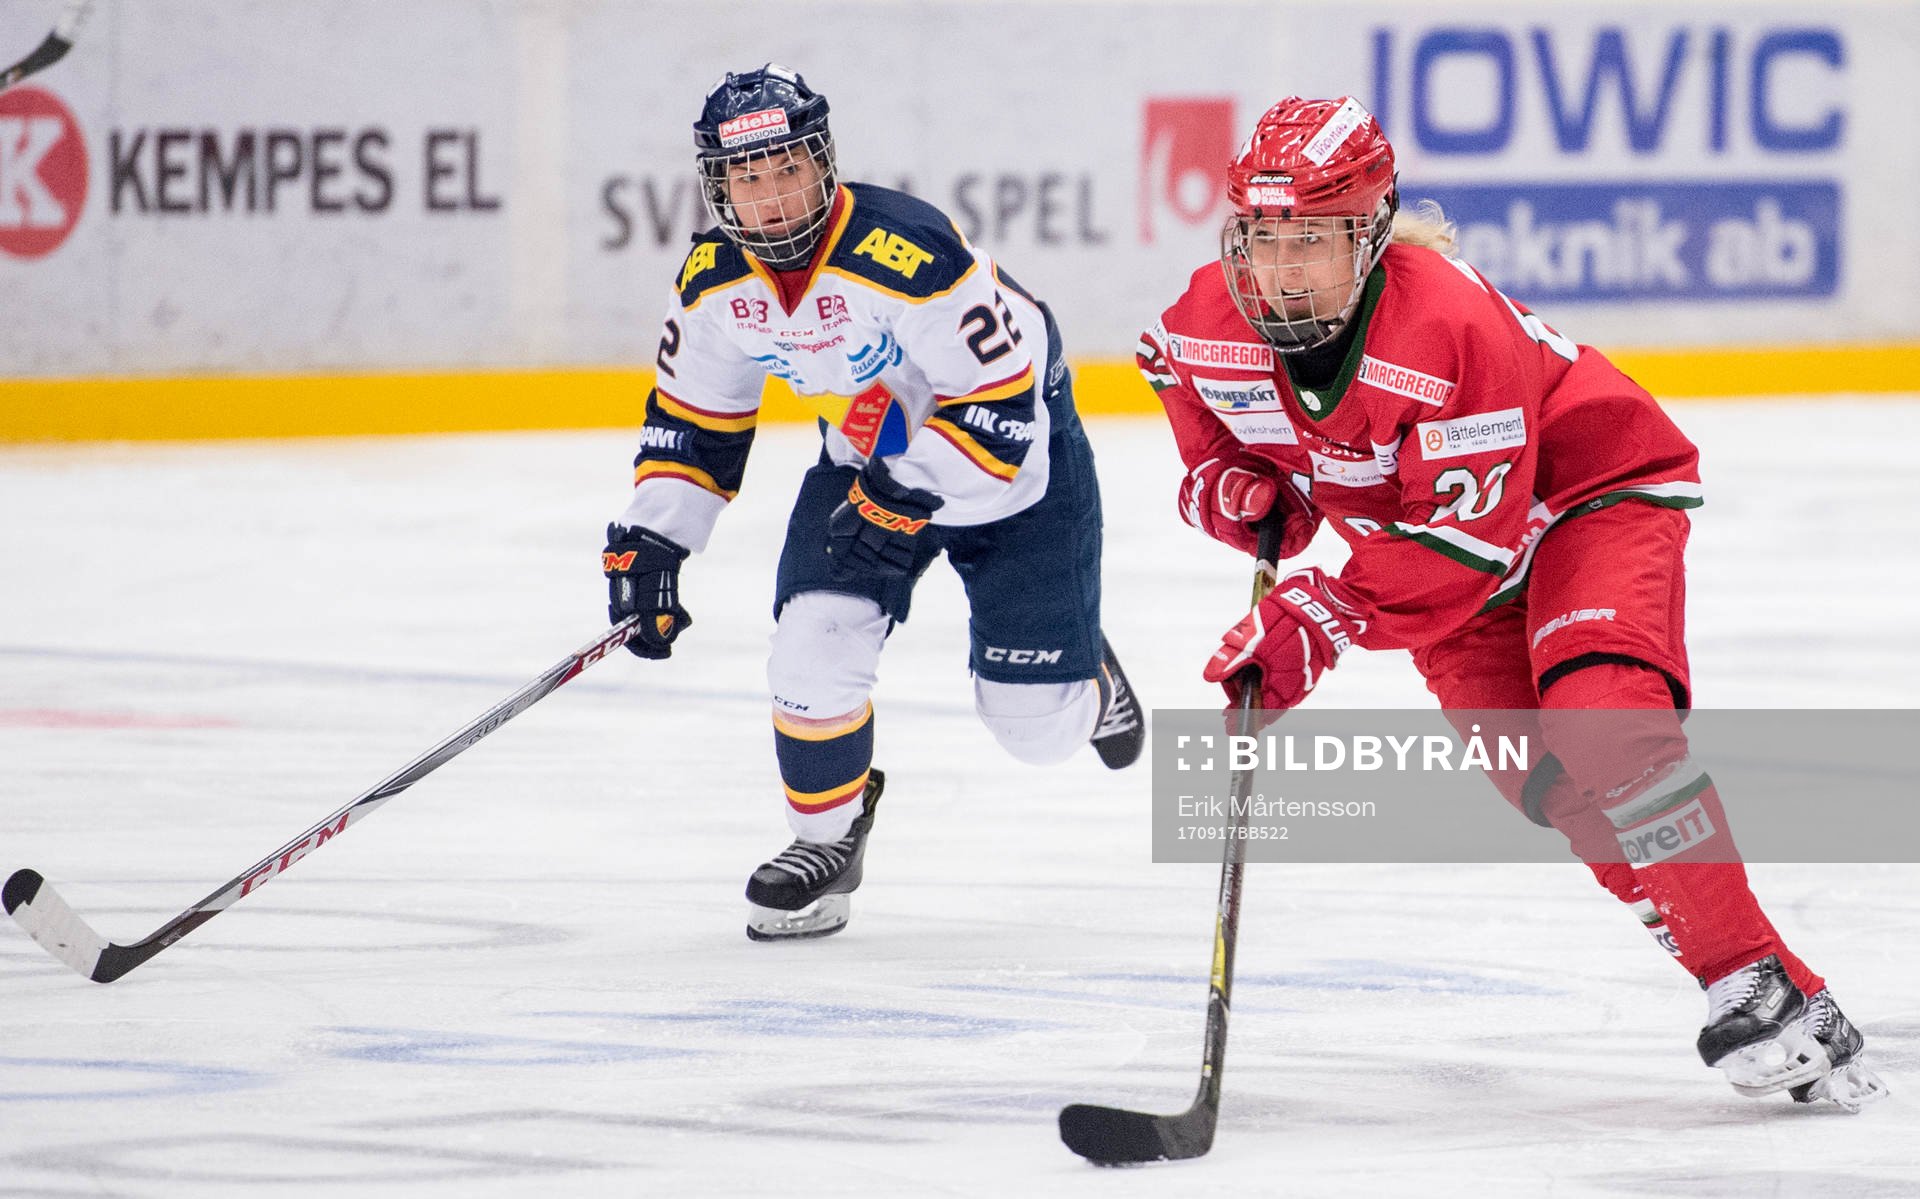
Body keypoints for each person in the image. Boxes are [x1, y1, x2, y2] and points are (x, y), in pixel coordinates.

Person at [1140, 95, 1885, 1109]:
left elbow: (1465, 546)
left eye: (1311, 240)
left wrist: (1319, 615)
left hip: (1584, 498)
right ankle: (1794, 1000)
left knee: (1605, 725)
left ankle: (1746, 969)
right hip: (1429, 546)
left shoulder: (1444, 323)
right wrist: (1229, 489)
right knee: (1545, 780)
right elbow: (1214, 436)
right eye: (1264, 238)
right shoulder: (1205, 324)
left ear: (1368, 235)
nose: (1283, 269)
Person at [603, 64, 1143, 943]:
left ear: (823, 163)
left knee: (1035, 729)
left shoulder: (908, 249)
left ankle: (1088, 671)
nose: (772, 197)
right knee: (809, 648)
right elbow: (694, 421)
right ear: (718, 186)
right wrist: (653, 542)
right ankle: (828, 843)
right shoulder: (712, 284)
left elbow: (1001, 413)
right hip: (869, 452)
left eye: (787, 168)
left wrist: (902, 497)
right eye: (748, 177)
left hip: (1012, 463)